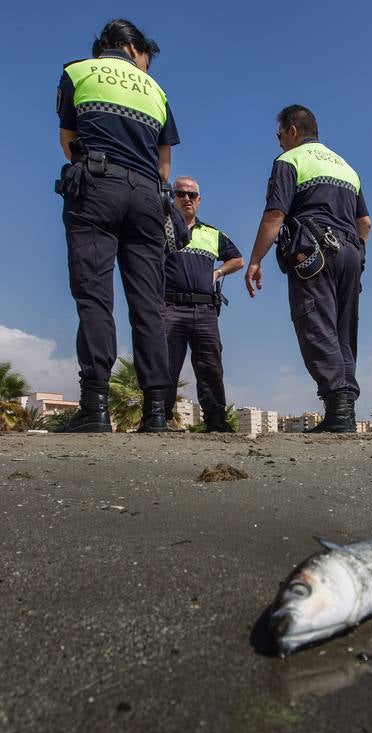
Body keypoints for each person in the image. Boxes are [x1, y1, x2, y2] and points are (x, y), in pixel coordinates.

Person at [55, 19, 180, 433]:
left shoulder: (78, 71)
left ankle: (94, 409)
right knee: (148, 305)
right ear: (134, 49)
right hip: (147, 195)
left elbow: (68, 138)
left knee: (94, 295)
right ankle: (157, 413)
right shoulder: (157, 91)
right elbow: (165, 165)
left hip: (96, 183)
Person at [245, 105, 372, 432]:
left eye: (279, 136)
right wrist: (358, 256)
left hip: (314, 253)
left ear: (292, 131)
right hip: (350, 254)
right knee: (344, 330)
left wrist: (256, 260)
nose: (279, 143)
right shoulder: (347, 168)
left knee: (316, 323)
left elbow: (275, 216)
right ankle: (345, 410)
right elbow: (366, 223)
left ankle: (338, 412)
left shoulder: (289, 161)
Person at [163, 176, 243, 432]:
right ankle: (159, 417)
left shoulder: (212, 233)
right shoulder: (160, 230)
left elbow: (238, 259)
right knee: (166, 365)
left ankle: (217, 421)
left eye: (192, 195)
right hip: (169, 307)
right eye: (181, 194)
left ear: (199, 200)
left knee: (210, 366)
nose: (187, 198)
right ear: (172, 197)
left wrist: (218, 273)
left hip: (205, 311)